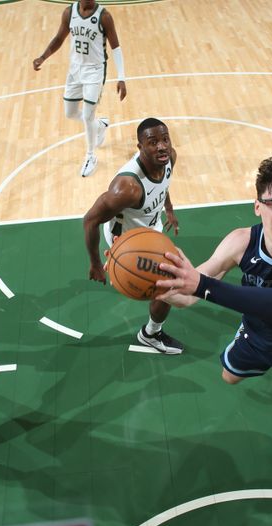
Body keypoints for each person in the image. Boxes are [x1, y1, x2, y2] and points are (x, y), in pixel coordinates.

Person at [155, 156, 272, 463]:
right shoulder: (240, 241)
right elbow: (187, 297)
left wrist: (200, 284)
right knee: (229, 376)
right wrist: (151, 285)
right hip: (258, 334)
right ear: (257, 206)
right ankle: (259, 353)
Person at [83, 118, 184, 354]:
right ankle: (151, 334)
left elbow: (164, 184)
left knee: (171, 283)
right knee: (170, 287)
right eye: (153, 142)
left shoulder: (169, 158)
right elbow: (90, 220)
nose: (162, 146)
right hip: (128, 242)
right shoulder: (127, 188)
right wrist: (96, 263)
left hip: (151, 229)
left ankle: (151, 331)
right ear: (140, 147)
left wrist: (168, 208)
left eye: (165, 139)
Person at [33, 0, 127, 177]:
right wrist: (42, 57)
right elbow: (59, 38)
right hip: (75, 70)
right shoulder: (69, 12)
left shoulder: (104, 16)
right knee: (70, 113)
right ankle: (100, 125)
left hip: (95, 71)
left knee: (87, 116)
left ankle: (91, 156)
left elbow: (116, 47)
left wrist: (121, 78)